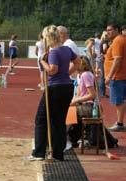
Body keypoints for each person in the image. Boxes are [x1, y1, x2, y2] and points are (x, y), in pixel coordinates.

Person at [29, 25, 80, 161]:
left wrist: (42, 62)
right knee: (59, 121)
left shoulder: (54, 52)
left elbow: (52, 70)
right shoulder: (67, 49)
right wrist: (66, 73)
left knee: (41, 118)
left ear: (49, 38)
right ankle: (58, 154)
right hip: (67, 87)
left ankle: (39, 152)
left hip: (55, 88)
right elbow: (78, 62)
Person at [68, 56, 97, 146]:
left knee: (65, 112)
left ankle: (65, 138)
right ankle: (71, 137)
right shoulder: (80, 76)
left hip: (88, 107)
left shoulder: (86, 75)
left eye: (73, 64)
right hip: (83, 105)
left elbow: (92, 95)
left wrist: (76, 100)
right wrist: (73, 101)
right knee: (66, 109)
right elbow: (78, 94)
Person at [104, 23, 126, 131]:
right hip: (122, 75)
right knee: (122, 100)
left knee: (118, 101)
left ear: (117, 30)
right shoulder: (121, 39)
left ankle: (119, 123)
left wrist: (109, 76)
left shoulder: (118, 40)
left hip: (118, 76)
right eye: (107, 30)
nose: (108, 32)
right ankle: (120, 122)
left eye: (110, 30)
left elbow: (117, 59)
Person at [99, 31, 109, 97]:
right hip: (104, 59)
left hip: (102, 59)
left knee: (102, 76)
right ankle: (102, 93)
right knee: (103, 77)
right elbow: (104, 49)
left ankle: (102, 93)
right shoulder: (105, 41)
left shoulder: (101, 41)